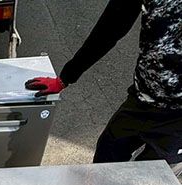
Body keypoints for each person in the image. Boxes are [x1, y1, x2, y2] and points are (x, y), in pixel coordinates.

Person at [25, 0, 182, 167]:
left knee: (150, 176)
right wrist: (64, 79)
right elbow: (109, 29)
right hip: (141, 100)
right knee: (105, 160)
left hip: (178, 119)